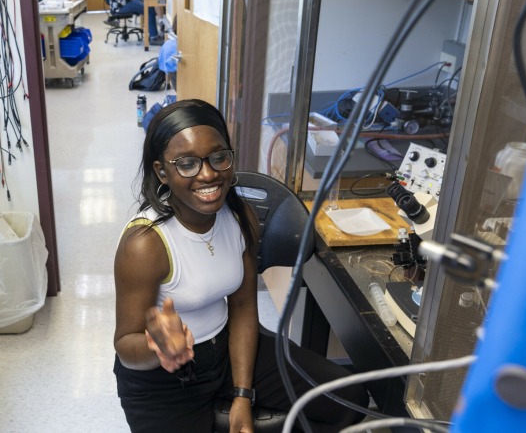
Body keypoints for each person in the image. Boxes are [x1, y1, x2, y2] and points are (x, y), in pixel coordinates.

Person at [113, 99, 369, 432]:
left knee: (348, 399)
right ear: (162, 172)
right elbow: (125, 344)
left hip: (228, 351)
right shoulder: (145, 243)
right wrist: (157, 348)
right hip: (163, 382)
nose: (208, 174)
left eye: (218, 157)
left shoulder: (239, 217)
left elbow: (244, 307)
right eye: (187, 164)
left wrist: (243, 395)